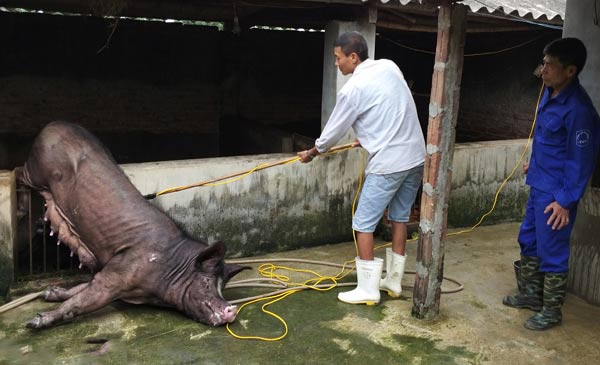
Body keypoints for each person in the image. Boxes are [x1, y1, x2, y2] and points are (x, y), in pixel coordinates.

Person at [298, 31, 426, 305]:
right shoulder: (389, 66)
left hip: (389, 162)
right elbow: (391, 105)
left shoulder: (352, 89)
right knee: (400, 216)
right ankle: (393, 281)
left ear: (353, 57)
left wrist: (312, 152)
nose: (336, 64)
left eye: (338, 58)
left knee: (363, 223)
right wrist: (368, 136)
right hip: (415, 156)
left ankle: (367, 289)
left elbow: (332, 133)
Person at [503, 38, 600, 330]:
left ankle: (551, 310)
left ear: (570, 71)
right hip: (540, 182)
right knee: (528, 239)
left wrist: (566, 201)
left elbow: (581, 160)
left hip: (557, 193)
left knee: (552, 250)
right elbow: (550, 141)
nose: (543, 71)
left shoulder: (579, 109)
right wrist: (535, 162)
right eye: (543, 63)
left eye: (549, 65)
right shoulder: (551, 93)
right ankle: (531, 295)